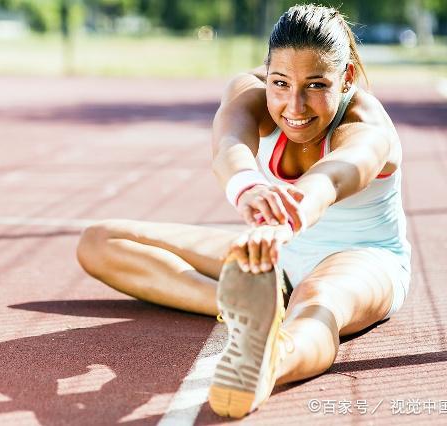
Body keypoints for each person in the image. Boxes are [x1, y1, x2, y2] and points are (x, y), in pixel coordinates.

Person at [76, 4, 411, 418]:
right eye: (281, 82)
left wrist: (283, 222)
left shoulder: (367, 124)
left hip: (363, 259)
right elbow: (228, 147)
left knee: (320, 299)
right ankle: (253, 308)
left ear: (345, 78)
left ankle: (273, 360)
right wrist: (248, 188)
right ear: (265, 72)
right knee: (100, 241)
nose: (295, 105)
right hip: (275, 253)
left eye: (315, 85)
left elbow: (333, 178)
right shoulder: (248, 93)